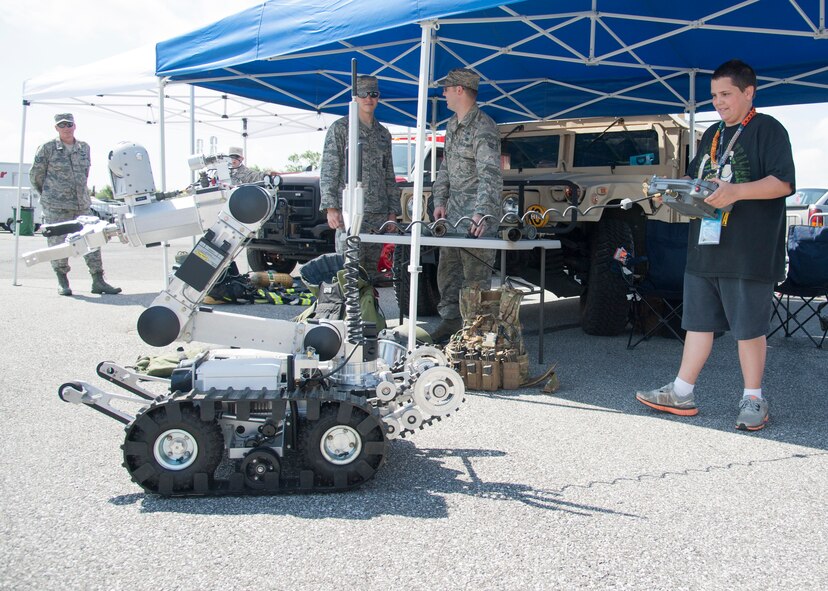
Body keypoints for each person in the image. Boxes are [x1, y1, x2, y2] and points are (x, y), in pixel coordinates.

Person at [635, 59, 795, 431]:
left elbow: (783, 183)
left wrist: (736, 191)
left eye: (725, 94)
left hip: (748, 250)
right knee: (698, 323)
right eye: (713, 96)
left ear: (748, 92)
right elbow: (697, 178)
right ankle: (681, 391)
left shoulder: (768, 130)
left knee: (749, 328)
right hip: (705, 246)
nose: (718, 102)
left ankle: (754, 398)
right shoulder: (712, 136)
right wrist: (669, 190)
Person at [428, 68, 503, 343]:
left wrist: (482, 212)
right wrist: (439, 201)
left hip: (476, 217)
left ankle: (475, 333)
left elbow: (490, 174)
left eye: (446, 88)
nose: (444, 93)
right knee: (448, 273)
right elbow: (445, 168)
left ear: (460, 89)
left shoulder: (483, 126)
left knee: (475, 279)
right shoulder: (451, 125)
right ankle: (450, 323)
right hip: (453, 216)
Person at [320, 75, 401, 283]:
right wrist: (331, 208)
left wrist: (392, 212)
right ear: (355, 97)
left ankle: (367, 313)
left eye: (373, 94)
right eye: (363, 94)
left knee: (370, 275)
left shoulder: (383, 134)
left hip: (377, 214)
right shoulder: (341, 129)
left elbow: (389, 175)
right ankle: (348, 315)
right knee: (348, 273)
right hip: (350, 212)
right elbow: (329, 169)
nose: (368, 99)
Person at [30, 113, 121, 296]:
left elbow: (84, 174)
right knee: (58, 244)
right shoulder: (47, 148)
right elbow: (36, 176)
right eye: (62, 125)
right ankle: (62, 281)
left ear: (74, 126)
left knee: (93, 239)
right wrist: (49, 195)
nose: (66, 127)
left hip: (81, 204)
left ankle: (98, 280)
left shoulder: (83, 148)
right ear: (56, 128)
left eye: (69, 124)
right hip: (56, 205)